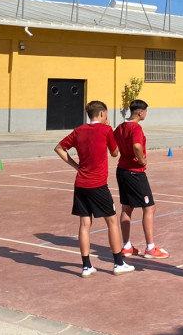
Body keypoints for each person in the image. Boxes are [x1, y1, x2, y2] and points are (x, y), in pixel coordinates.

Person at [55, 100, 133, 278]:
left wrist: (76, 166)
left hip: (80, 183)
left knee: (84, 225)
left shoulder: (78, 130)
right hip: (98, 184)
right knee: (112, 222)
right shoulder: (106, 130)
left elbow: (59, 148)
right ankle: (118, 263)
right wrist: (110, 134)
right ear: (102, 113)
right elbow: (115, 153)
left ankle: (86, 266)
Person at [114, 99, 169, 259]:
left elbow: (114, 147)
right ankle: (150, 248)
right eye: (145, 111)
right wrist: (141, 160)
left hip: (122, 171)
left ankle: (126, 246)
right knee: (149, 208)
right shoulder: (135, 128)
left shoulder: (120, 127)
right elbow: (137, 146)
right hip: (135, 173)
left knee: (126, 208)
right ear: (140, 112)